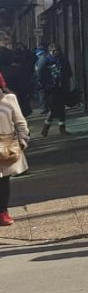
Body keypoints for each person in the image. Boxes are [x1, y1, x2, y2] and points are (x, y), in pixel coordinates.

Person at [0, 88, 30, 226]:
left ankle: (3, 212)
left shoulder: (9, 99)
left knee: (3, 181)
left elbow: (20, 122)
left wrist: (22, 141)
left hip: (6, 147)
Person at [38, 44, 73, 136]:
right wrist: (45, 85)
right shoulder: (45, 60)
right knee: (53, 109)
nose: (53, 52)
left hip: (62, 87)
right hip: (50, 88)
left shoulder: (63, 60)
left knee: (61, 108)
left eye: (55, 50)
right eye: (51, 50)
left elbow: (69, 72)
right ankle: (46, 129)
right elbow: (40, 74)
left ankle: (61, 129)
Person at [9, 43, 36, 115]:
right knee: (23, 100)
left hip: (16, 88)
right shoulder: (24, 66)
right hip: (23, 86)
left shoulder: (11, 69)